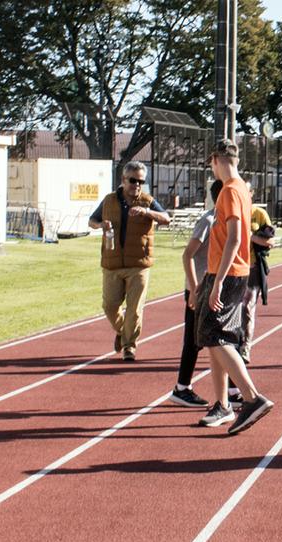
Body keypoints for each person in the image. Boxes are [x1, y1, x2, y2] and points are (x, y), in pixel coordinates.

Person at [194, 139, 274, 434]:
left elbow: (235, 239)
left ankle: (252, 398)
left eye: (211, 164)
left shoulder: (229, 191)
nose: (212, 170)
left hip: (226, 274)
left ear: (216, 159)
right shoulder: (240, 188)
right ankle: (222, 403)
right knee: (213, 338)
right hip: (224, 272)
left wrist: (217, 284)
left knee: (216, 337)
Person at [88, 161, 171, 361]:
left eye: (141, 181)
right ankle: (123, 331)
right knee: (109, 306)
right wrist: (101, 225)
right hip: (112, 263)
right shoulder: (108, 201)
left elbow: (167, 218)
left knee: (134, 309)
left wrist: (147, 212)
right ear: (123, 180)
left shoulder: (147, 200)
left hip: (139, 264)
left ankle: (129, 346)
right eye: (133, 180)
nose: (137, 185)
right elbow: (91, 221)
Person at [168, 181, 220, 408]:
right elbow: (187, 255)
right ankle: (182, 388)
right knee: (196, 340)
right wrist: (193, 289)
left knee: (217, 340)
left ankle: (230, 389)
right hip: (199, 289)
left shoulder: (229, 222)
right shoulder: (208, 221)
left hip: (215, 287)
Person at [240, 202, 276, 363]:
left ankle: (245, 347)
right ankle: (231, 342)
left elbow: (270, 241)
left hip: (252, 268)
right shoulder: (229, 209)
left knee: (247, 308)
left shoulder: (259, 214)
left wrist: (251, 236)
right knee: (230, 309)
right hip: (231, 267)